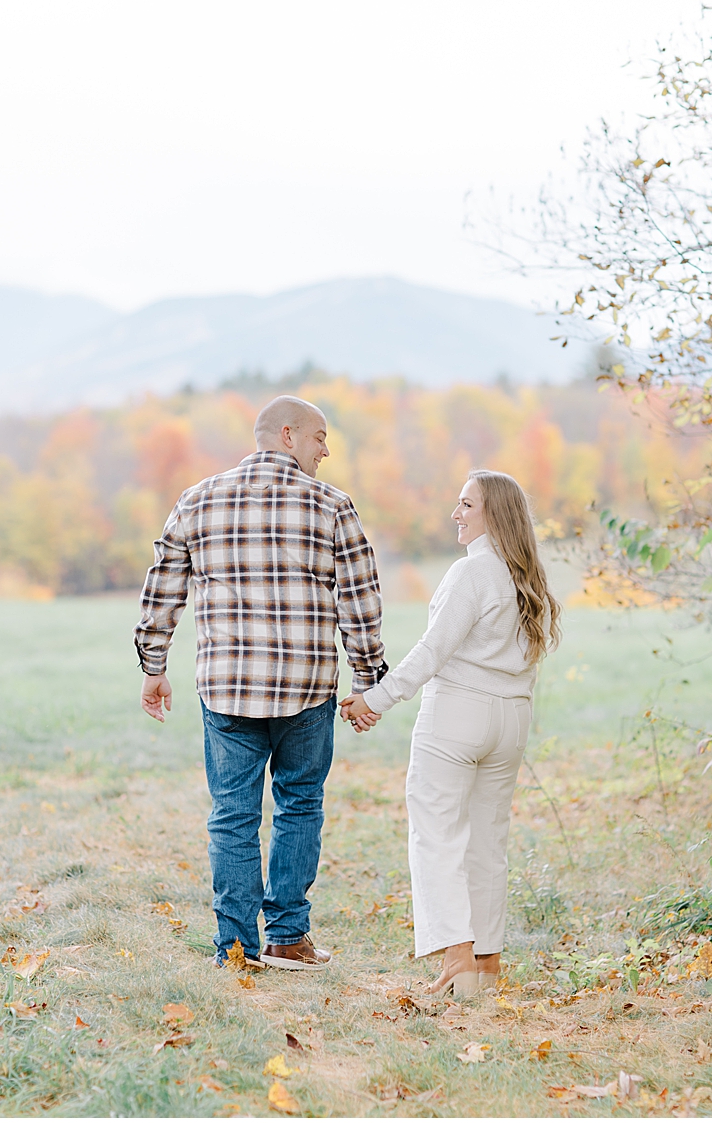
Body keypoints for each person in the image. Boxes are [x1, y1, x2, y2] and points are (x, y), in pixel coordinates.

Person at [135, 395, 387, 971]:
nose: (327, 449)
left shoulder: (197, 499)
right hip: (305, 689)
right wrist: (368, 678)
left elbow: (163, 590)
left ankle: (236, 949)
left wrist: (154, 667)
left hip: (227, 688)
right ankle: (288, 938)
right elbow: (361, 602)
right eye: (321, 437)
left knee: (232, 815)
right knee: (299, 805)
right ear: (289, 434)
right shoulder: (332, 506)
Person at [341, 469, 561, 998]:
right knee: (488, 843)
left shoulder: (472, 574)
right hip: (511, 721)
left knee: (436, 836)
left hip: (458, 717)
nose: (456, 514)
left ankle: (458, 961)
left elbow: (431, 652)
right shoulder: (524, 577)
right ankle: (486, 969)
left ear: (494, 514)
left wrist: (376, 698)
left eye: (466, 505)